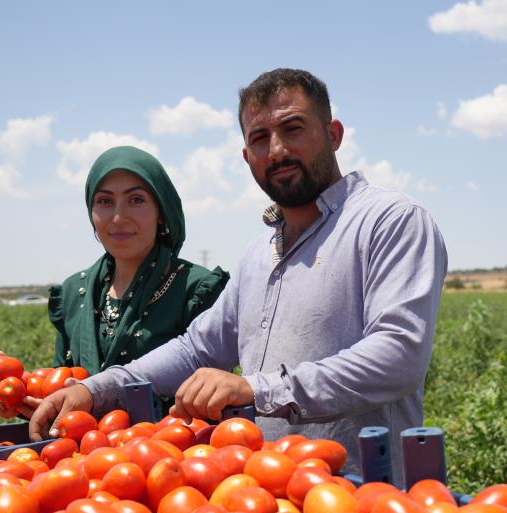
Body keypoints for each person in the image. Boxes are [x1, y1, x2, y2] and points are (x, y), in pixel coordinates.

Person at [30, 68, 447, 466]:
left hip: (363, 492)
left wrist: (256, 388)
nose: (277, 150)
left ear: (333, 135)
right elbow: (198, 348)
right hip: (271, 495)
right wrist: (98, 387)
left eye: (293, 128)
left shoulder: (389, 221)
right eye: (260, 138)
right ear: (247, 156)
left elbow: (399, 356)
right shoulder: (258, 255)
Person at [0, 146, 228, 418]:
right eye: (104, 201)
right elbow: (62, 386)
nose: (118, 218)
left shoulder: (195, 289)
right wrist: (28, 400)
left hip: (173, 454)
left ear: (162, 211)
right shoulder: (74, 294)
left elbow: (212, 394)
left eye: (136, 200)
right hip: (82, 456)